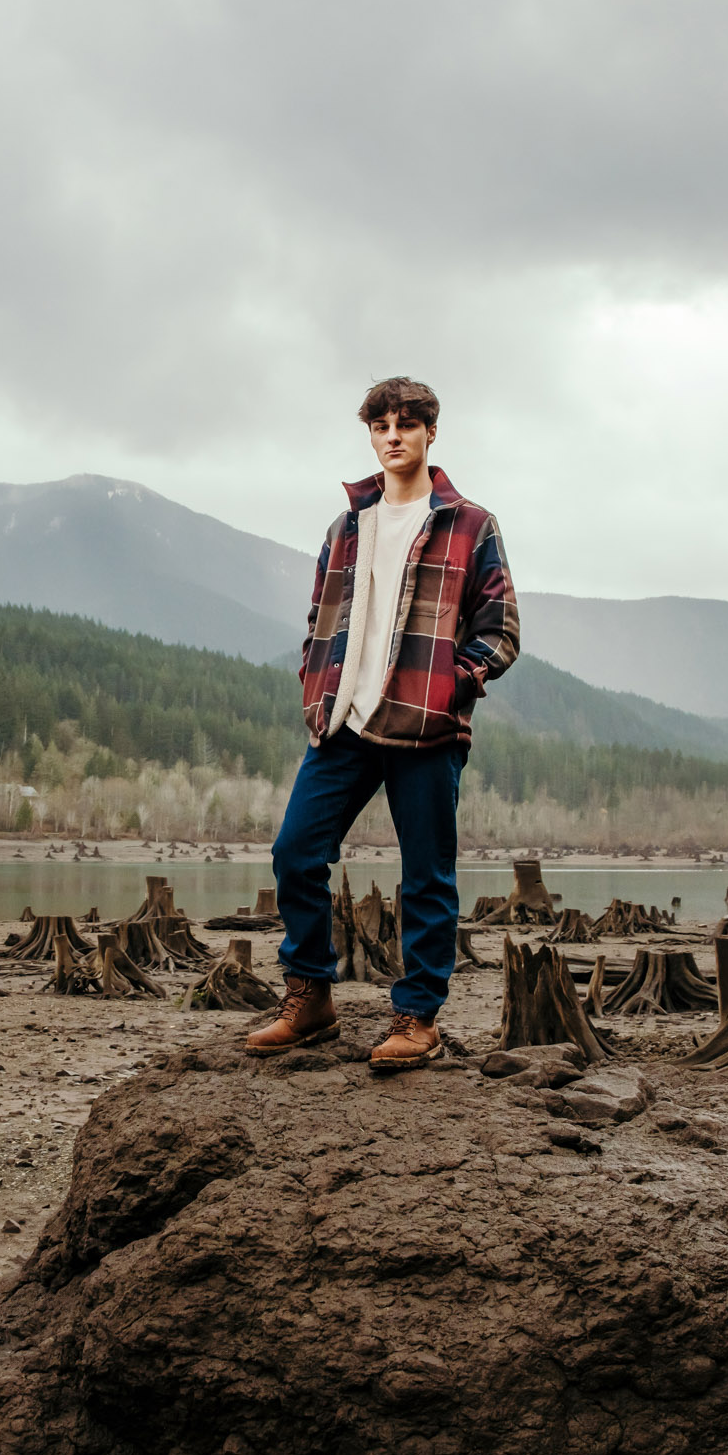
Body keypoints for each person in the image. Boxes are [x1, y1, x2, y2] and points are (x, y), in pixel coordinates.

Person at [247, 376, 519, 1069]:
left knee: (426, 874)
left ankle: (417, 1017)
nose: (393, 436)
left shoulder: (470, 524)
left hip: (426, 725)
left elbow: (501, 628)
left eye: (406, 424)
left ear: (431, 432)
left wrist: (454, 684)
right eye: (381, 426)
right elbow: (320, 618)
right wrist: (315, 678)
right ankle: (310, 996)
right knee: (295, 851)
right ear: (371, 434)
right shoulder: (347, 525)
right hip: (344, 720)